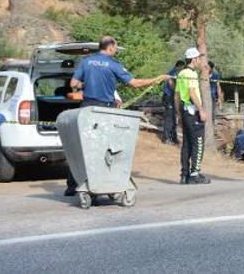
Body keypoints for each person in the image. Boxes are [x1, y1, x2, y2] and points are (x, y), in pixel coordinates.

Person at [65, 36, 169, 196]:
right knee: (104, 148)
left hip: (86, 109)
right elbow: (135, 83)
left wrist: (85, 85)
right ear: (111, 47)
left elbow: (73, 84)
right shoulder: (114, 64)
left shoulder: (87, 61)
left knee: (82, 146)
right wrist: (157, 79)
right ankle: (101, 185)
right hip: (104, 111)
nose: (115, 49)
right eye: (116, 47)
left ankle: (72, 185)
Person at [176, 47, 211, 184]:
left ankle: (184, 174)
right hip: (192, 111)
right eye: (198, 58)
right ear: (194, 59)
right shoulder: (191, 73)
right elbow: (191, 92)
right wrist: (201, 109)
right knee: (198, 142)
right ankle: (195, 173)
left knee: (187, 143)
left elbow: (177, 95)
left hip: (184, 111)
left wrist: (179, 114)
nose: (200, 60)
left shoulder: (181, 73)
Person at [161, 59, 182, 145]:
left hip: (173, 97)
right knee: (169, 118)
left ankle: (173, 137)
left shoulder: (175, 72)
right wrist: (177, 92)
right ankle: (166, 138)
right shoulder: (173, 72)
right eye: (182, 67)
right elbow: (171, 84)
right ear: (179, 66)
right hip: (169, 97)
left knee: (174, 117)